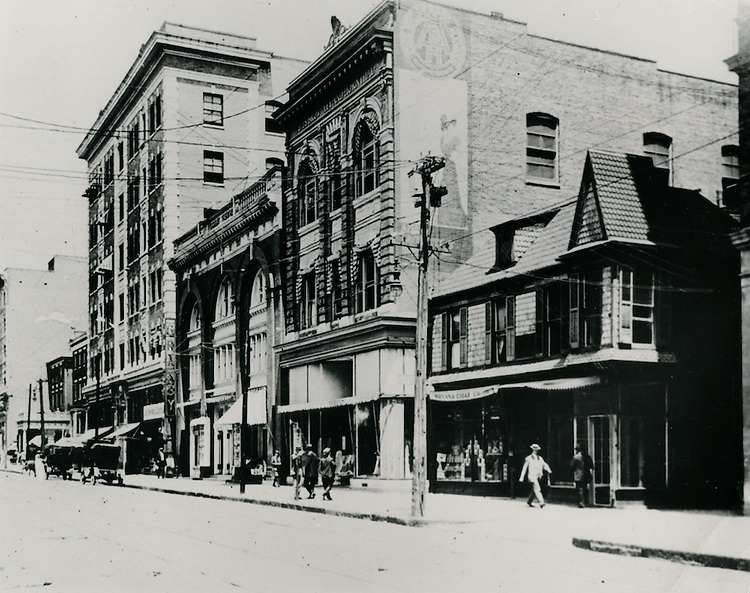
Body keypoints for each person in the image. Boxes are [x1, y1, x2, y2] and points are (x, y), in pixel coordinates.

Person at [519, 443, 552, 508]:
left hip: (538, 476)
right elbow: (524, 468)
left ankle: (529, 501)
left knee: (534, 490)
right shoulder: (528, 458)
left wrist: (548, 470)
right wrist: (521, 478)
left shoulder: (540, 458)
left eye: (537, 450)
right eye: (535, 449)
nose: (536, 451)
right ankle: (541, 502)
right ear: (532, 450)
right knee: (537, 489)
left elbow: (544, 464)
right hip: (532, 476)